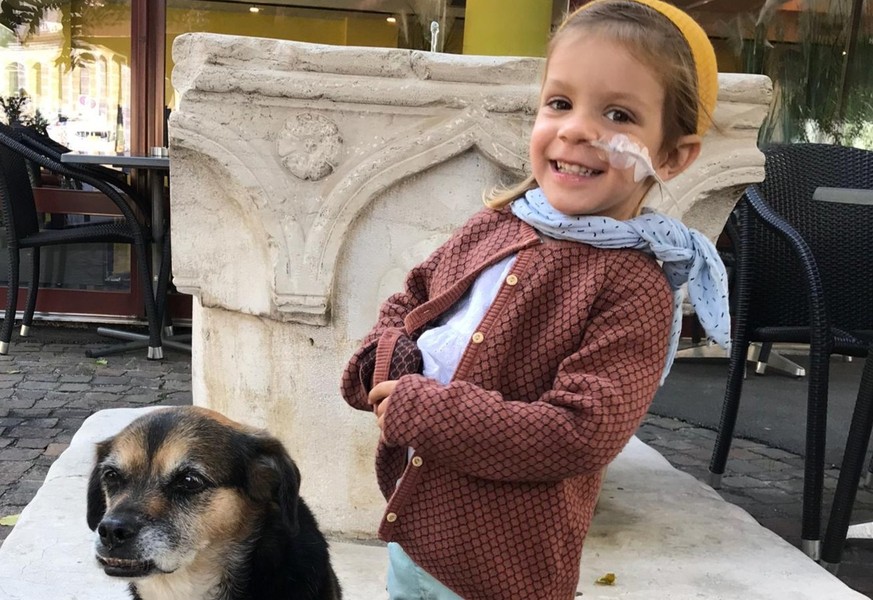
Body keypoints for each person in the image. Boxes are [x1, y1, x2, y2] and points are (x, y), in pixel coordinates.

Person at [340, 1, 731, 598]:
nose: (576, 128)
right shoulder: (495, 223)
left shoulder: (634, 288)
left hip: (501, 569)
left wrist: (427, 412)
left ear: (673, 156)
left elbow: (578, 431)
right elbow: (413, 300)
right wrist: (385, 361)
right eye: (560, 103)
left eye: (618, 113)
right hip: (417, 534)